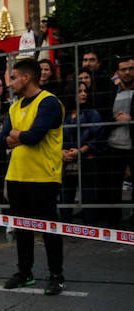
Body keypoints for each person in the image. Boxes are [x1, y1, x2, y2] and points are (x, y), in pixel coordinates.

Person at [0, 57, 66, 295]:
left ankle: (56, 275)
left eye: (14, 78)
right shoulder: (15, 106)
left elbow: (34, 136)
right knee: (22, 227)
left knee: (49, 228)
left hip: (43, 177)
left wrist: (16, 136)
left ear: (26, 78)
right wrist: (18, 135)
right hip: (17, 176)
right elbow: (2, 138)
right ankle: (24, 272)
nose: (11, 83)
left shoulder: (49, 103)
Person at [61, 83, 102, 223]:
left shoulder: (92, 113)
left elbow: (97, 137)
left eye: (85, 91)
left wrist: (81, 151)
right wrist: (62, 152)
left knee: (87, 194)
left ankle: (89, 225)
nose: (84, 94)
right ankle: (64, 224)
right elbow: (57, 136)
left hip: (86, 159)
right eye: (79, 91)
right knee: (66, 194)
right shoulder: (65, 115)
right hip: (66, 161)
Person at [103, 55, 134, 226]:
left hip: (132, 146)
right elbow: (103, 115)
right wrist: (115, 120)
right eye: (123, 69)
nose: (127, 72)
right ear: (118, 72)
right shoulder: (111, 93)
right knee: (113, 189)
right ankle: (113, 226)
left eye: (130, 68)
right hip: (114, 147)